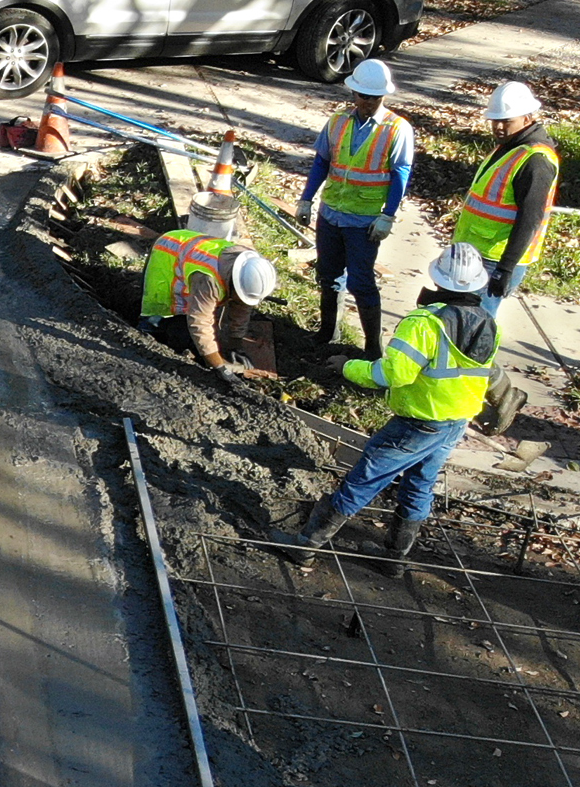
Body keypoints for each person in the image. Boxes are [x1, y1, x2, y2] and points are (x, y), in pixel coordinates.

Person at [283, 243, 497, 578]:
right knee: (420, 485)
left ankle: (306, 544)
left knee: (365, 478)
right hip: (455, 420)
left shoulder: (425, 323)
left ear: (438, 279)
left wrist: (347, 367)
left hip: (419, 421)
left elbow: (392, 374)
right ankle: (395, 559)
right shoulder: (488, 323)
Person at [295, 55, 415, 362]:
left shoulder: (396, 129)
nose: (367, 103)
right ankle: (327, 332)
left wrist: (388, 215)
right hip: (331, 213)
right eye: (363, 96)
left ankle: (373, 347)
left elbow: (400, 173)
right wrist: (307, 198)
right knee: (328, 274)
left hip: (364, 221)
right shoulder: (338, 122)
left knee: (362, 281)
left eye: (374, 98)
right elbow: (322, 160)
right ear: (353, 93)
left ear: (383, 96)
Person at [455, 79, 558, 320]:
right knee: (463, 323)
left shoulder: (535, 160)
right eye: (495, 120)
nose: (499, 127)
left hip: (495, 259)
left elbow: (530, 218)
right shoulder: (511, 146)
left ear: (527, 118)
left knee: (477, 326)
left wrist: (506, 267)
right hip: (477, 251)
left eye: (506, 121)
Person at [138, 229, 281, 383]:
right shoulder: (209, 279)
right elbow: (199, 322)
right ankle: (145, 335)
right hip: (167, 253)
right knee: (160, 306)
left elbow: (242, 307)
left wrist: (235, 344)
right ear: (234, 283)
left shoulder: (251, 267)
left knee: (195, 309)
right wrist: (218, 365)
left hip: (189, 252)